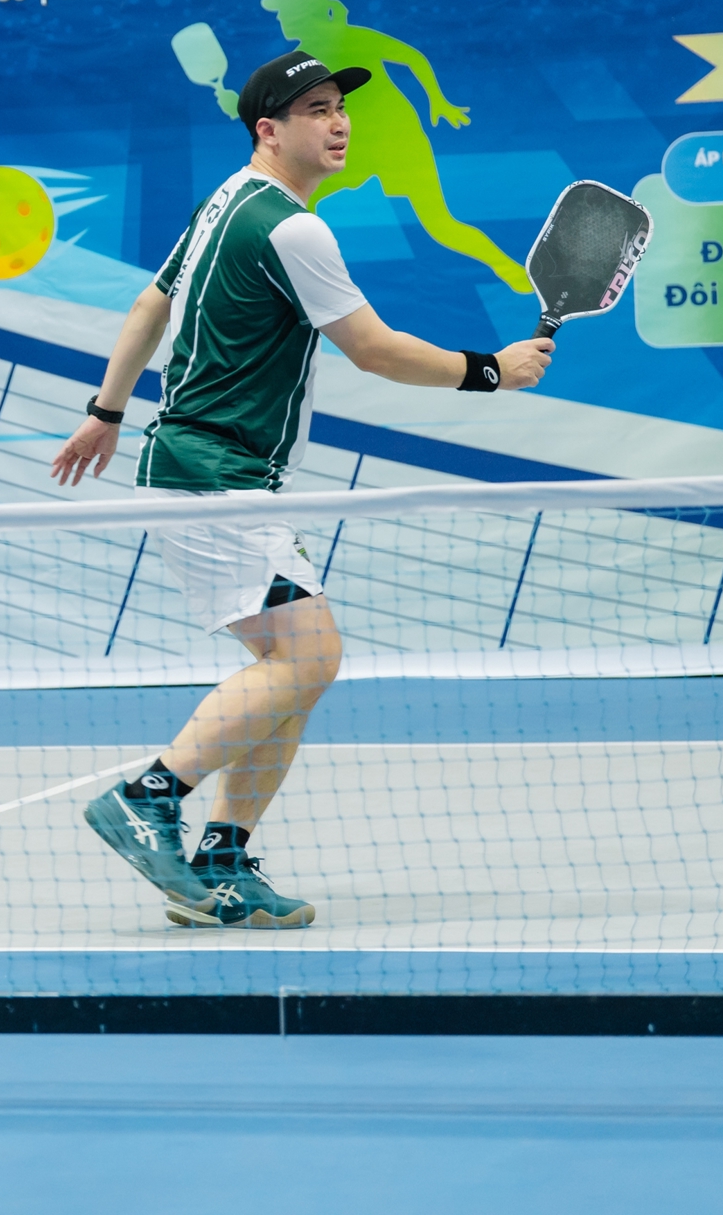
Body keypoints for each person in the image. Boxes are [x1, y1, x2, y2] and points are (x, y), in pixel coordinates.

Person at [50, 51, 552, 929]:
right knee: (307, 657)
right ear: (268, 130)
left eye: (340, 107)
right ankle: (147, 797)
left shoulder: (224, 201)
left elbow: (148, 306)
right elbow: (374, 349)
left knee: (296, 669)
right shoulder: (291, 228)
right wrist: (491, 371)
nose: (339, 122)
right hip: (215, 474)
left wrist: (107, 410)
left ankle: (223, 859)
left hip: (220, 474)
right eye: (316, 109)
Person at [259, 0, 532, 293]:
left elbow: (412, 57)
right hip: (356, 151)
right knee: (301, 199)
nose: (280, 18)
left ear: (305, 15)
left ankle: (510, 270)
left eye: (285, 12)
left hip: (401, 143)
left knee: (439, 224)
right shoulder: (301, 62)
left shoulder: (354, 38)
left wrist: (438, 100)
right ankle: (307, 281)